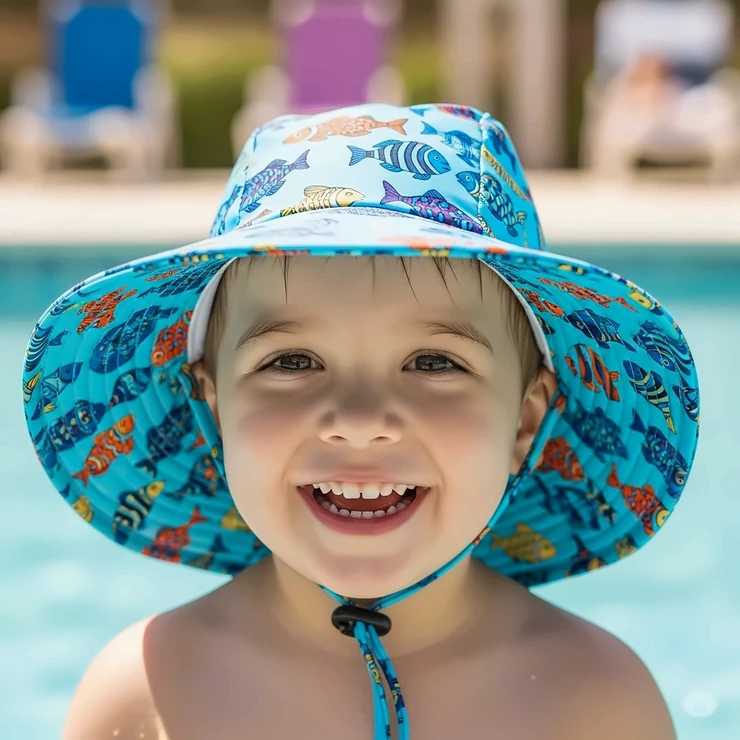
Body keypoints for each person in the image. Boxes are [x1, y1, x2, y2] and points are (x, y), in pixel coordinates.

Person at [23, 102, 700, 740]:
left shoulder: (596, 702)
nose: (359, 421)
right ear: (214, 408)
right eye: (292, 359)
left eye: (434, 362)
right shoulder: (145, 691)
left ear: (524, 423)